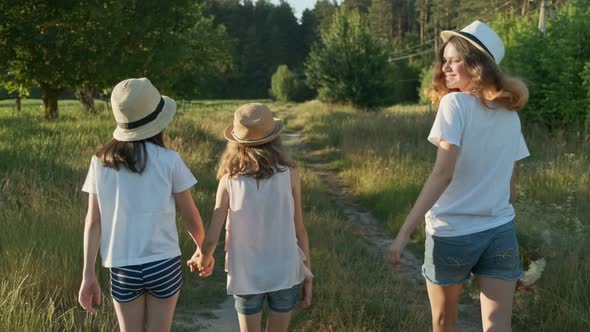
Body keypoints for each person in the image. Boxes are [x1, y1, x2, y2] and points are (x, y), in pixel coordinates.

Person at [388, 21, 529, 332]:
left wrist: (404, 232)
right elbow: (510, 188)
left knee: (444, 323)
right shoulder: (510, 114)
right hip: (500, 232)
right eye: (445, 59)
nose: (445, 66)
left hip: (453, 232)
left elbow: (442, 174)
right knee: (498, 326)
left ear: (477, 66)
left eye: (455, 60)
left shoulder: (455, 104)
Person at [78, 78, 212, 332]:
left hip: (122, 265)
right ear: (157, 120)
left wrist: (88, 275)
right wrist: (202, 250)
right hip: (163, 263)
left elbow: (93, 221)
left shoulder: (100, 162)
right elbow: (190, 215)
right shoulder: (169, 160)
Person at [188, 103, 313, 332]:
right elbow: (300, 230)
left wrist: (203, 259)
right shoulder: (290, 174)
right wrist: (308, 275)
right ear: (275, 138)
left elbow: (212, 236)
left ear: (236, 143)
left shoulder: (229, 181)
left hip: (246, 275)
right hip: (285, 271)